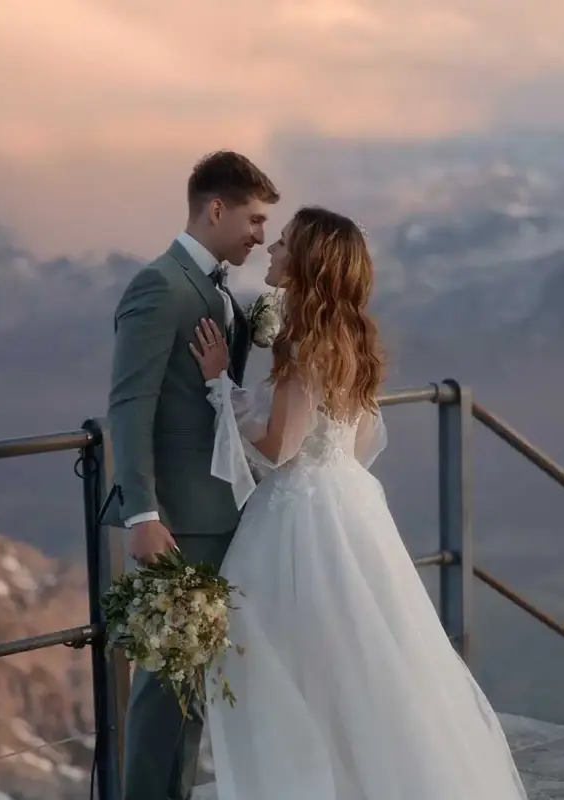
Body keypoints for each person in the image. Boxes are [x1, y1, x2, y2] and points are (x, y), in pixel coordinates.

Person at [190, 206, 529, 799]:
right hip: (347, 501)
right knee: (358, 664)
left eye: (285, 244)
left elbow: (278, 447)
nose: (271, 250)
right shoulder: (349, 337)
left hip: (299, 517)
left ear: (306, 263)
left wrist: (222, 385)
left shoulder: (304, 346)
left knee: (289, 666)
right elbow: (360, 436)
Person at [102, 150, 280, 800]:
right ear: (215, 209)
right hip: (178, 522)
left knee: (192, 691)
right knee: (164, 690)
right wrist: (143, 513)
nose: (259, 235)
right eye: (254, 220)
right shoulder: (160, 285)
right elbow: (129, 402)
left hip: (221, 513)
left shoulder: (214, 287)